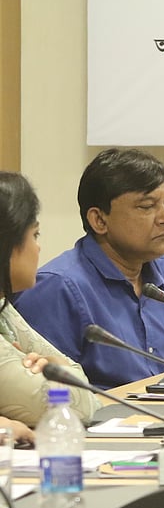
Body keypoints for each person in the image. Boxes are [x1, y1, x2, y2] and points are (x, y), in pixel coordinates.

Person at [16, 149, 164, 388]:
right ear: (99, 220)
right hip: (98, 412)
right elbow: (46, 391)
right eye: (147, 206)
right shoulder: (56, 287)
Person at [0, 172, 97, 433]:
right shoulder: (59, 282)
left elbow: (79, 383)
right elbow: (75, 406)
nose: (38, 248)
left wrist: (56, 366)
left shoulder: (3, 308)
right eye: (35, 235)